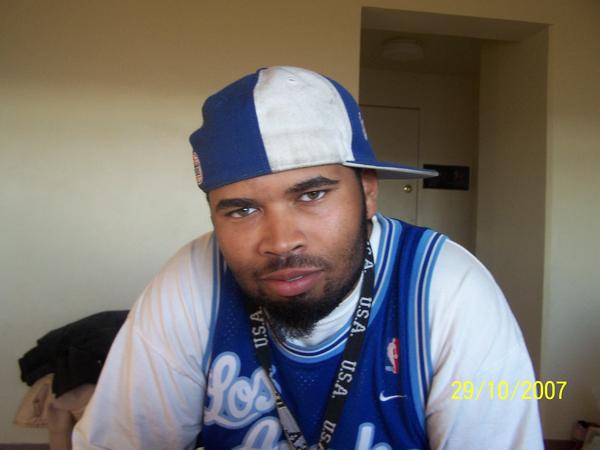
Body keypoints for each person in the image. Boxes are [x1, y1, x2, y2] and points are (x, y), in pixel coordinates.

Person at [73, 66, 543, 450]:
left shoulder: (448, 288)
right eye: (242, 209)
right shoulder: (192, 277)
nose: (281, 242)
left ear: (368, 192)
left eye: (312, 194)